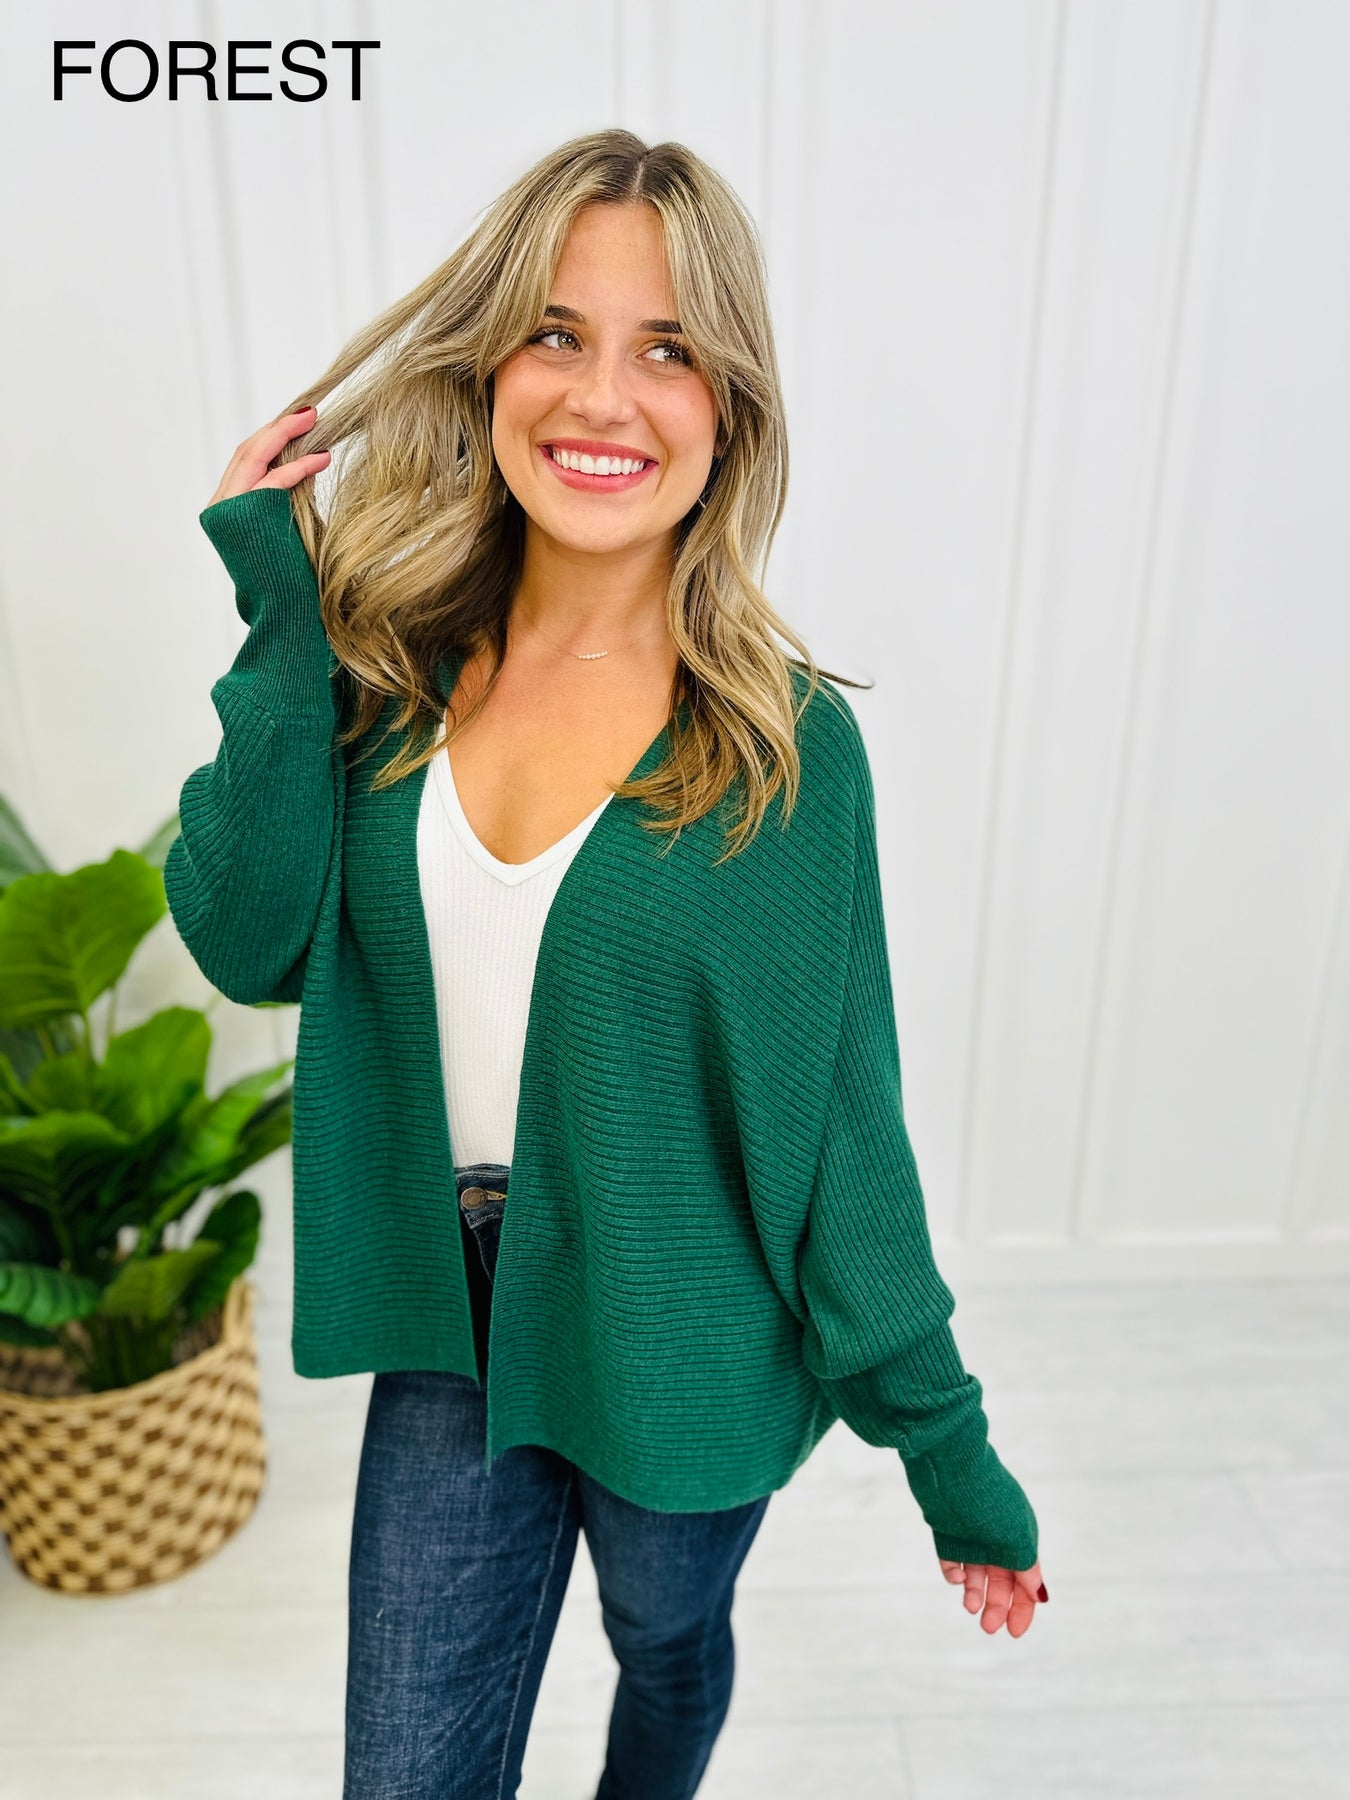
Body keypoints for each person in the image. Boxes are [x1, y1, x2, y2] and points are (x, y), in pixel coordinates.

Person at [166, 128, 1049, 1800]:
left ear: (729, 412)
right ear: (490, 364)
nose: (600, 397)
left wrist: (952, 1457)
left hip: (685, 1335)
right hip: (450, 1316)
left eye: (668, 351)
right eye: (556, 334)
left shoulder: (778, 753)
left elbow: (840, 1134)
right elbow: (245, 937)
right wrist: (280, 611)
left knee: (665, 1645)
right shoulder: (382, 665)